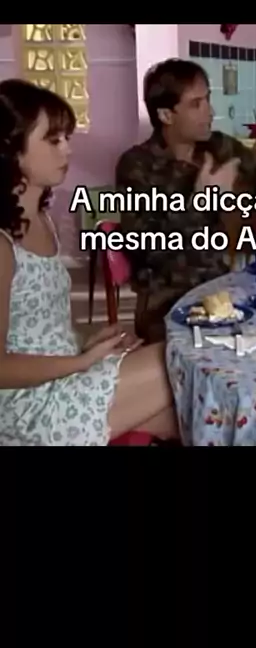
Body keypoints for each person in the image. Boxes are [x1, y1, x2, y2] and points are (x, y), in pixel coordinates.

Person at [0, 79, 178, 446]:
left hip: (62, 377)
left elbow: (38, 327)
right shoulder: (1, 244)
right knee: (177, 359)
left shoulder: (42, 220)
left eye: (66, 137)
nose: (68, 148)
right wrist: (80, 363)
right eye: (53, 140)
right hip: (29, 406)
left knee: (186, 413)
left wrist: (88, 341)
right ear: (11, 150)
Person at [116, 58, 256, 343]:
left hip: (221, 286)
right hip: (164, 300)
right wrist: (200, 203)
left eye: (208, 99)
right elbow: (143, 247)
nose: (210, 111)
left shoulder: (219, 146)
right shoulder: (136, 165)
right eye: (196, 104)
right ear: (166, 115)